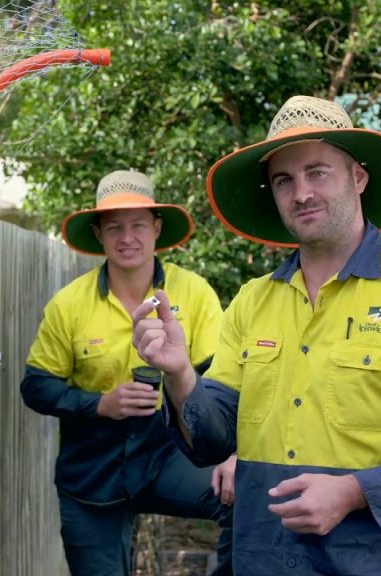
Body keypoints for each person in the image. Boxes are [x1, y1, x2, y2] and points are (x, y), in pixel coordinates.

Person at [131, 96, 381, 575]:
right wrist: (181, 375)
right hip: (263, 561)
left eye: (317, 172)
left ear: (358, 177)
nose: (301, 192)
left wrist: (353, 492)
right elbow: (212, 442)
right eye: (284, 180)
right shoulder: (251, 302)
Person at [21, 169, 235, 575]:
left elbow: (224, 380)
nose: (127, 237)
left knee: (246, 500)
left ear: (157, 228)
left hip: (170, 454)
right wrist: (100, 403)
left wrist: (235, 452)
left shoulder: (195, 292)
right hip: (91, 470)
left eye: (138, 224)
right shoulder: (69, 303)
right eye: (114, 226)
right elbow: (35, 387)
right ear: (99, 234)